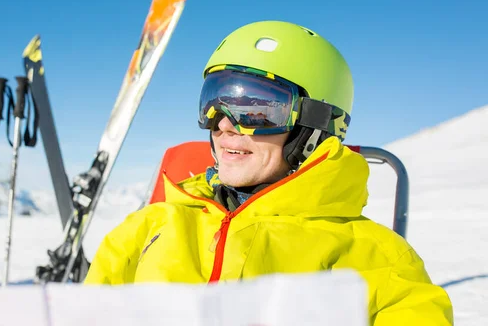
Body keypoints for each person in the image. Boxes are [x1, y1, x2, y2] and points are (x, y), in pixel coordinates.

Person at [84, 20, 454, 325]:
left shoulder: (375, 256)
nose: (224, 125)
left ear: (313, 126)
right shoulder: (146, 229)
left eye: (256, 110)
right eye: (214, 102)